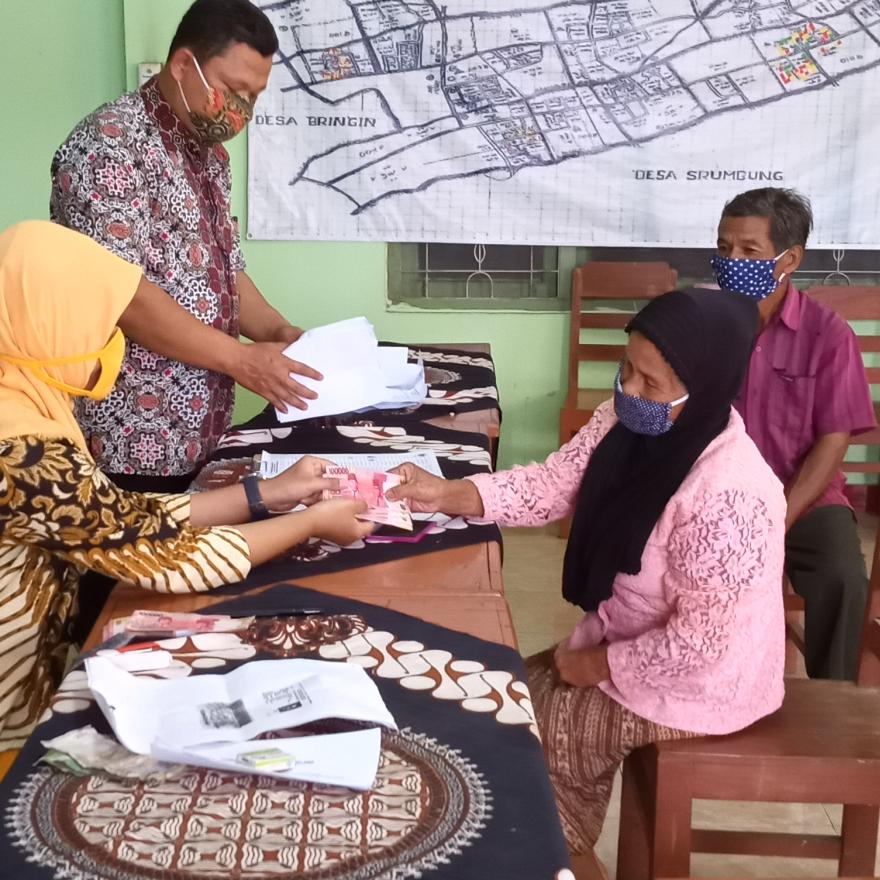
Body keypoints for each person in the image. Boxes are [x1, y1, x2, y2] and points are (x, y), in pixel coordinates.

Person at [388, 288, 786, 872]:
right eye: (627, 369)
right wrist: (448, 493)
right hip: (628, 642)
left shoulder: (730, 494)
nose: (629, 391)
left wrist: (597, 665)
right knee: (491, 701)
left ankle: (557, 859)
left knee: (527, 761)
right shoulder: (624, 423)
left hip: (698, 682)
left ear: (706, 389)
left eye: (652, 383)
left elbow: (701, 646)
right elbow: (553, 485)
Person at [0, 221, 373, 754]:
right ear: (45, 321)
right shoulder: (23, 453)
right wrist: (311, 521)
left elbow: (117, 516)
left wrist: (265, 494)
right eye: (95, 326)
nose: (108, 345)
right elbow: (170, 557)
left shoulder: (19, 405)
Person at [51, 0, 316, 494]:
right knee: (136, 549)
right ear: (181, 66)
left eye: (253, 96)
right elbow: (122, 296)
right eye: (232, 89)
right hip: (129, 435)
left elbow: (226, 274)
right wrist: (242, 360)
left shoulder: (209, 155)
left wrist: (280, 330)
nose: (241, 109)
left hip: (202, 432)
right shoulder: (109, 145)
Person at [712, 187, 875, 681]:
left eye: (749, 250)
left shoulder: (829, 334)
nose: (732, 262)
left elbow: (834, 438)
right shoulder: (700, 323)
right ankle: (704, 687)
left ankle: (834, 698)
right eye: (724, 248)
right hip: (717, 495)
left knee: (842, 578)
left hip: (803, 498)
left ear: (790, 259)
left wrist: (779, 515)